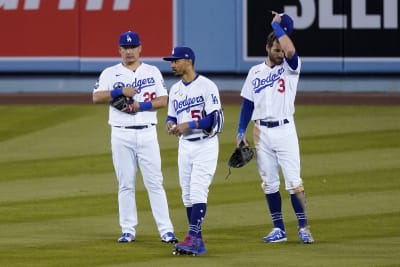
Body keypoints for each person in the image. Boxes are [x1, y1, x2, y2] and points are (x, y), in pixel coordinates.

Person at [235, 12, 314, 244]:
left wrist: (277, 27)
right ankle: (278, 228)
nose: (281, 53)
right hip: (261, 133)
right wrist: (240, 132)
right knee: (269, 182)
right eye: (276, 50)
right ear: (267, 48)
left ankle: (303, 227)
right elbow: (247, 103)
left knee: (293, 181)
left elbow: (291, 50)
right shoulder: (254, 73)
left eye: (282, 49)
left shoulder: (291, 68)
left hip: (285, 130)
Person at [92, 31, 178, 244]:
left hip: (147, 132)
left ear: (140, 48)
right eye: (125, 47)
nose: (129, 51)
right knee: (126, 183)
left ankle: (166, 230)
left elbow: (163, 99)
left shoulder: (152, 71)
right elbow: (96, 97)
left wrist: (140, 105)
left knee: (155, 182)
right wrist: (119, 91)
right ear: (119, 50)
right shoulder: (110, 73)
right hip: (121, 133)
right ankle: (128, 230)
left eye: (133, 47)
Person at [163, 46, 224, 255]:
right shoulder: (175, 89)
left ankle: (194, 238)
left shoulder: (207, 86)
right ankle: (195, 239)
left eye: (175, 60)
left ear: (188, 61)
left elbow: (216, 118)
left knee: (198, 190)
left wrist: (189, 124)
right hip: (185, 146)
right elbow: (171, 116)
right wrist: (170, 124)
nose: (172, 64)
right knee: (187, 195)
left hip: (205, 145)